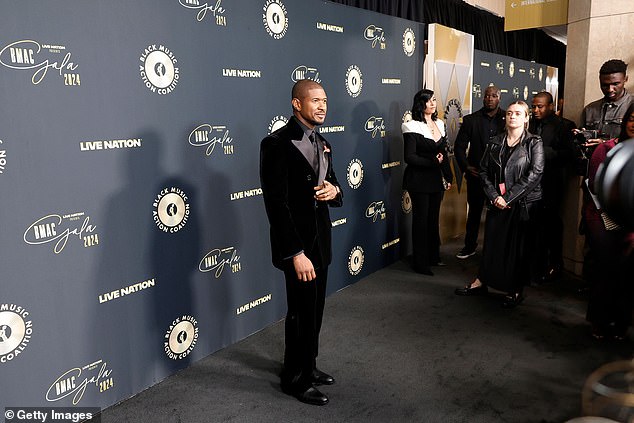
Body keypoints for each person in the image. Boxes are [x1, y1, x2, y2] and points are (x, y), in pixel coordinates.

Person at [260, 79, 343, 406]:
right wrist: (295, 253)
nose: (322, 106)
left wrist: (335, 191)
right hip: (299, 249)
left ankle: (308, 364)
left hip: (321, 241)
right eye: (315, 100)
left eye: (325, 100)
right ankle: (295, 379)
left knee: (315, 310)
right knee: (300, 313)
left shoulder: (323, 141)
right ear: (296, 104)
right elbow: (275, 204)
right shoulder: (276, 144)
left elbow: (333, 184)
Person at [454, 101, 544, 308]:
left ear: (526, 118)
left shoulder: (534, 142)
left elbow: (535, 173)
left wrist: (508, 197)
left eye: (518, 113)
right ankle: (481, 282)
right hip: (497, 201)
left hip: (522, 204)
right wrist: (495, 196)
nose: (512, 116)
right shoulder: (495, 141)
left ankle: (515, 288)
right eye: (510, 113)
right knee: (492, 244)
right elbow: (483, 171)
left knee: (516, 248)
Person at [583, 103, 634, 340]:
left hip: (631, 227)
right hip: (604, 220)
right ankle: (599, 322)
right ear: (625, 121)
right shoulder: (606, 149)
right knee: (605, 272)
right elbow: (596, 186)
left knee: (628, 276)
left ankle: (622, 324)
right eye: (632, 118)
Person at [402, 89, 453, 276]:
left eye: (434, 100)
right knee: (421, 221)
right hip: (418, 180)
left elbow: (444, 154)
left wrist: (448, 176)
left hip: (435, 180)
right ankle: (420, 262)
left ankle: (433, 257)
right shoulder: (411, 126)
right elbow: (409, 157)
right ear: (420, 104)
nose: (433, 104)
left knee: (433, 220)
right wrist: (433, 161)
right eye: (429, 101)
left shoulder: (440, 123)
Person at [454, 85, 506, 259]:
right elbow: (459, 147)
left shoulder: (507, 119)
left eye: (493, 96)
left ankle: (494, 250)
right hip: (477, 176)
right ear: (483, 98)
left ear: (499, 98)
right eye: (487, 96)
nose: (489, 99)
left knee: (497, 215)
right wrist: (466, 167)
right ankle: (469, 246)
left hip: (499, 178)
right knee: (475, 213)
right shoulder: (471, 120)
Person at [529, 91, 576, 282]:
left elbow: (569, 154)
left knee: (551, 225)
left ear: (550, 106)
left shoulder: (564, 126)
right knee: (531, 226)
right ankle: (533, 265)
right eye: (533, 106)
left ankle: (554, 265)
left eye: (540, 106)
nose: (536, 110)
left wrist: (543, 153)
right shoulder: (528, 124)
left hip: (552, 183)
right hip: (529, 184)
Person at [580, 59, 632, 141]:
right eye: (605, 85)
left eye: (615, 84)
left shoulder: (632, 106)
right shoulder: (589, 109)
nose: (610, 89)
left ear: (625, 79)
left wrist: (606, 144)